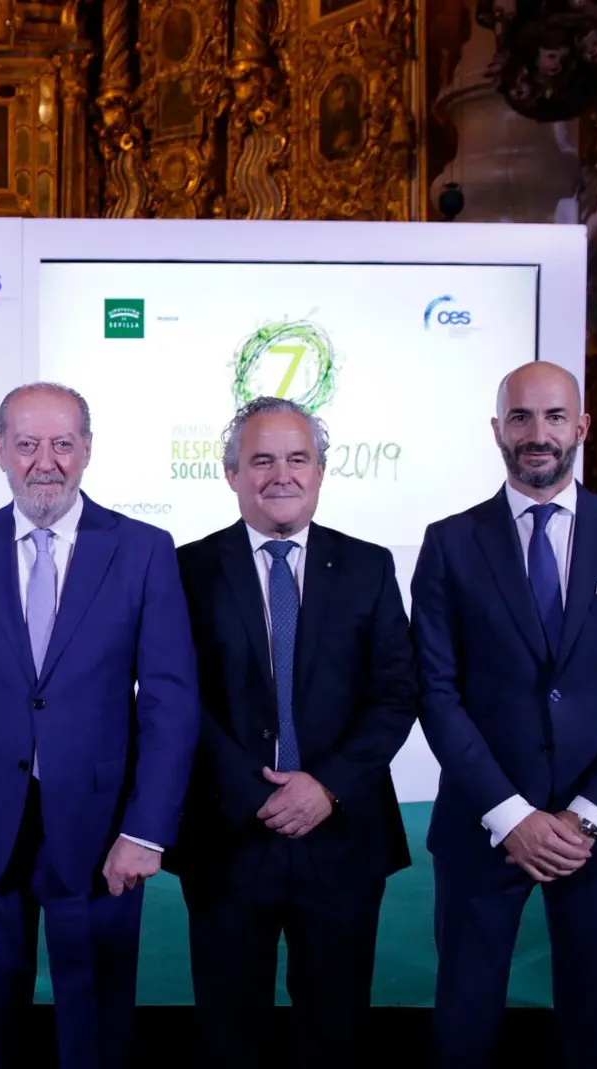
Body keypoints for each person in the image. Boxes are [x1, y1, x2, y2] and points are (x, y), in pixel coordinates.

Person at [411, 361, 597, 1068]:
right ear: (498, 430)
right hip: (485, 828)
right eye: (522, 417)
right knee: (462, 1030)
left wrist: (585, 815)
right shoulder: (449, 543)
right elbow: (436, 692)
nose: (539, 434)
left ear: (582, 426)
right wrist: (513, 815)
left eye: (555, 416)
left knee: (595, 1031)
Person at [0, 382, 199, 1069]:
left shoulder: (142, 549)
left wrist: (146, 829)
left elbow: (170, 699)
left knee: (97, 1034)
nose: (45, 461)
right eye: (27, 444)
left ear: (88, 451)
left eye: (62, 444)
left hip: (104, 832)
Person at [172, 396, 418, 1067]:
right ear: (231, 474)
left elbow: (396, 693)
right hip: (227, 838)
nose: (281, 474)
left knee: (333, 1036)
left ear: (321, 469)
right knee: (227, 1037)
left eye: (297, 457)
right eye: (261, 459)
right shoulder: (186, 568)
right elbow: (176, 696)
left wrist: (326, 785)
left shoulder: (369, 566)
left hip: (342, 839)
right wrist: (254, 791)